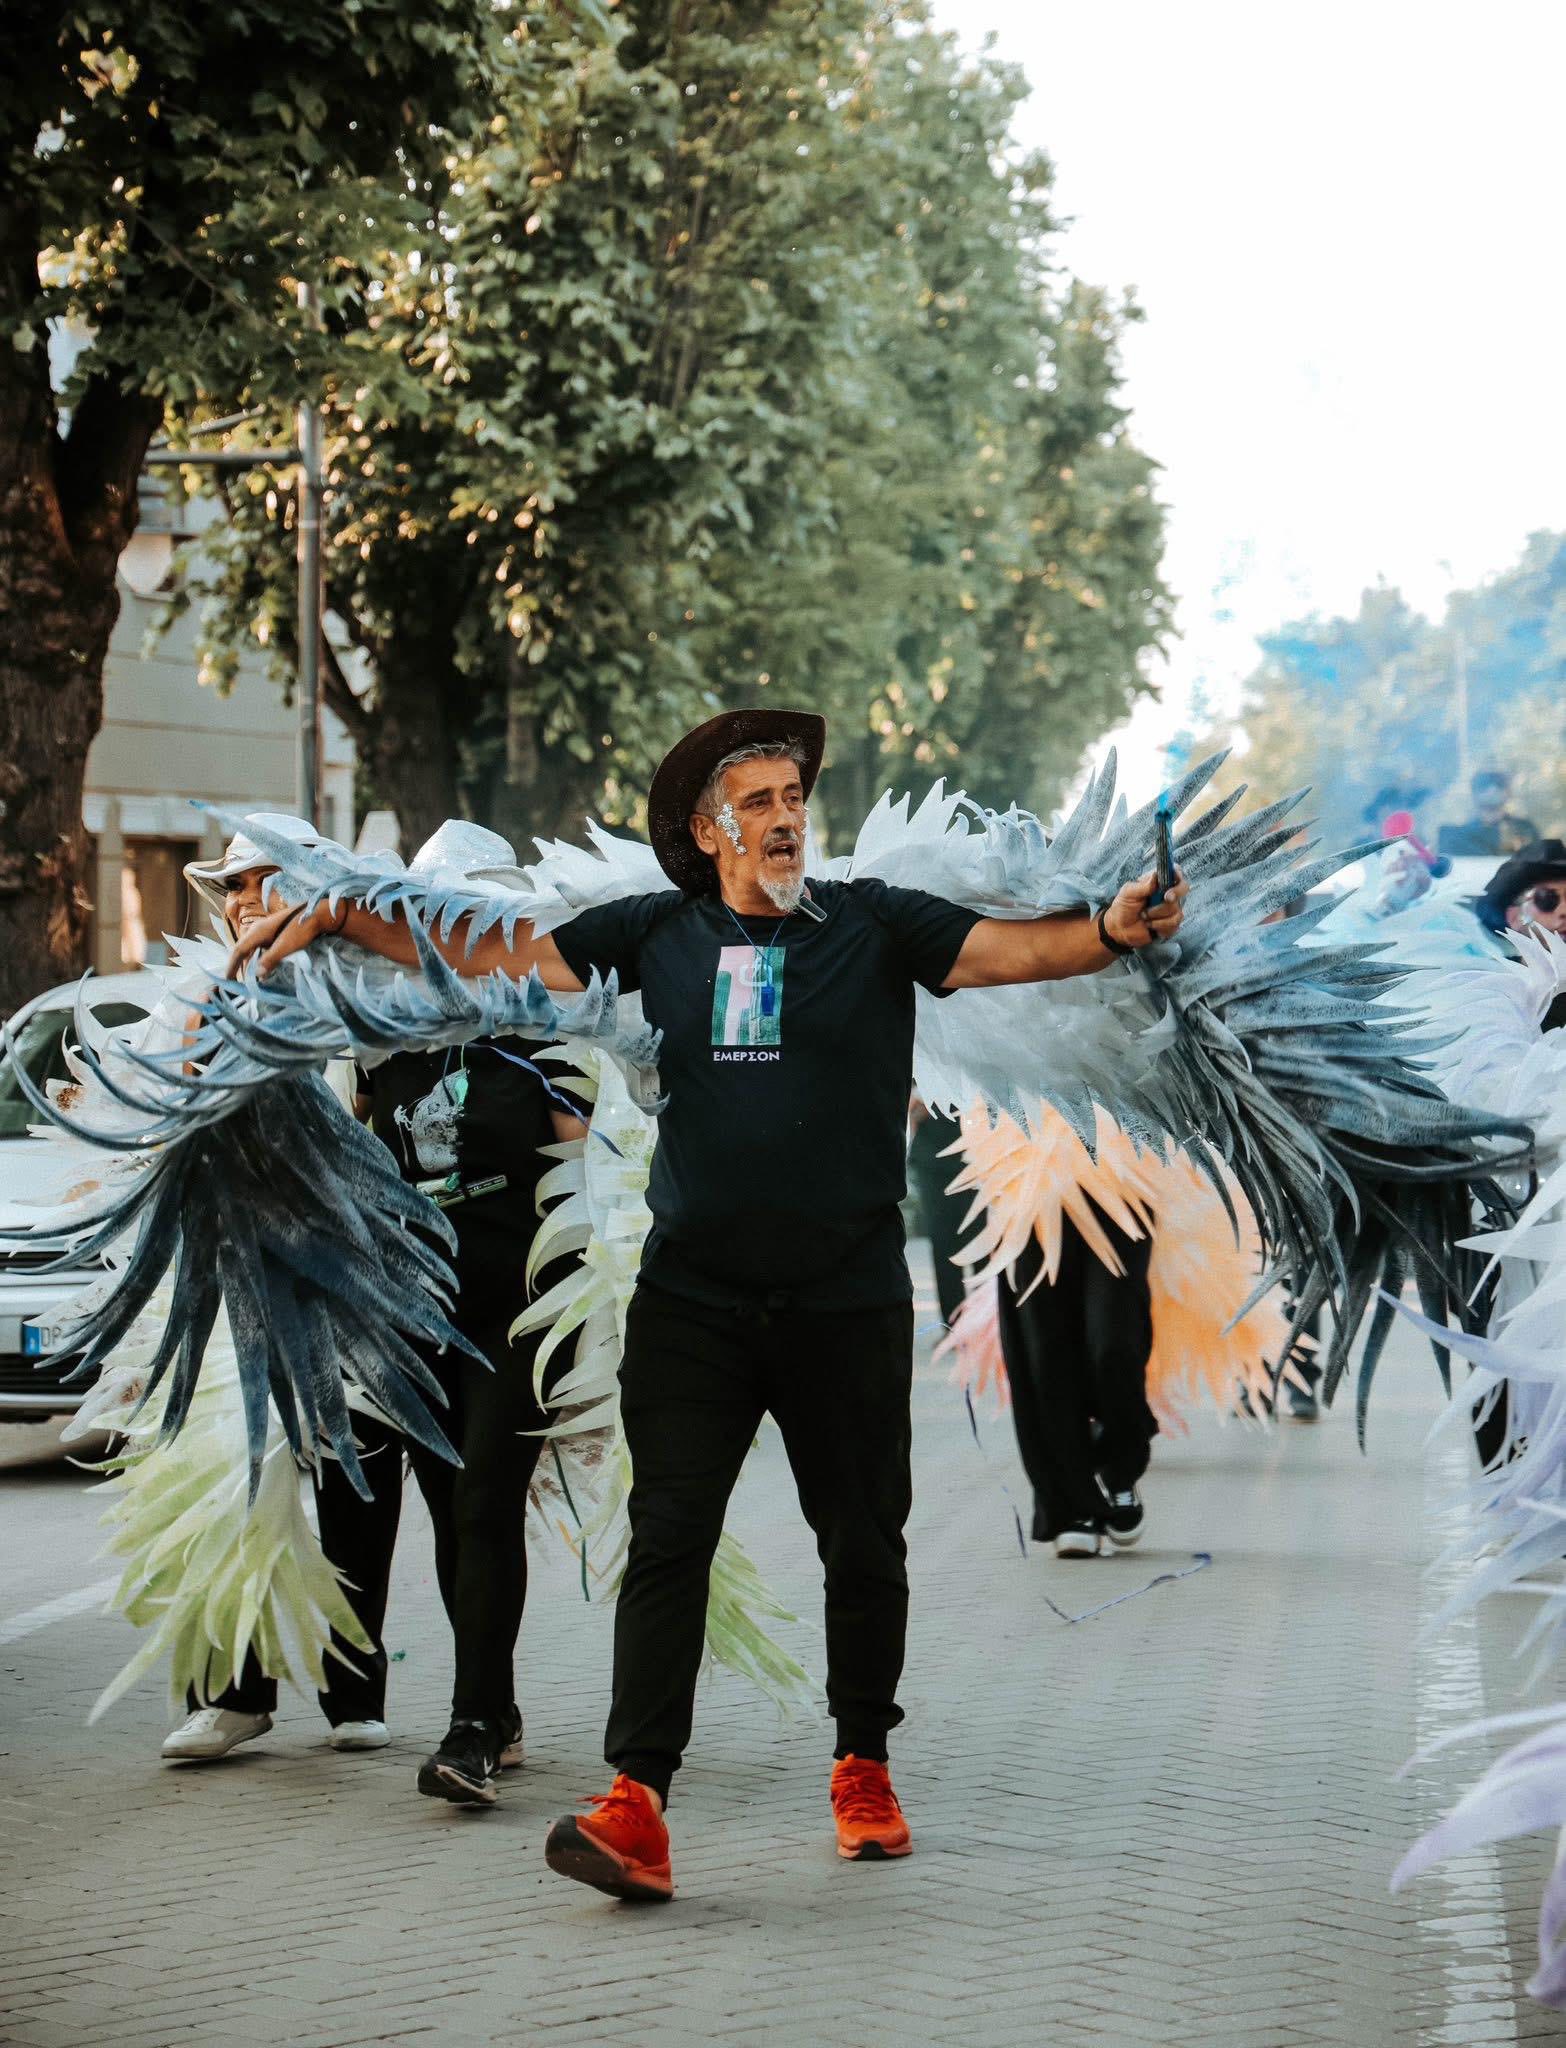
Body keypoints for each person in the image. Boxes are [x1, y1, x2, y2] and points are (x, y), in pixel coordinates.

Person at [230, 706, 1189, 1897]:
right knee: (669, 1538)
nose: (786, 818)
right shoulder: (658, 931)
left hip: (844, 1300)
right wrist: (340, 913)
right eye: (759, 801)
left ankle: (863, 1764)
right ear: (705, 829)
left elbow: (1012, 953)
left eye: (795, 796)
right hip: (694, 1301)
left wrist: (1110, 929)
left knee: (863, 1541)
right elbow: (493, 953)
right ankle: (636, 1801)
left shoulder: (873, 921)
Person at [160, 822, 401, 1763]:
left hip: (350, 1273)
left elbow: (388, 1119)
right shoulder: (203, 994)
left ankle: (353, 1692)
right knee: (237, 1473)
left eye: (266, 880)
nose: (246, 899)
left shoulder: (363, 989)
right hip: (236, 1271)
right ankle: (231, 1695)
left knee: (356, 1476)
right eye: (233, 885)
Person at [354, 1037, 587, 1806]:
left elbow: (600, 1171)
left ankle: (473, 1728)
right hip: (415, 1313)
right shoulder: (379, 1047)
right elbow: (351, 1154)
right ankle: (498, 1709)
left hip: (521, 1311)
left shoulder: (538, 1041)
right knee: (454, 1513)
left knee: (485, 1499)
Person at [995, 1217, 1156, 1557]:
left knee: (1114, 1342)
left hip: (1120, 1193)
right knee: (1045, 1351)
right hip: (1025, 1196)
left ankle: (1120, 1468)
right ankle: (1072, 1506)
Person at [1438, 769, 1540, 859]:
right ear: (1474, 793)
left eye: (1499, 784)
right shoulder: (1460, 835)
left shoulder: (1525, 829)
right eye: (1484, 784)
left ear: (1509, 792)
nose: (1492, 789)